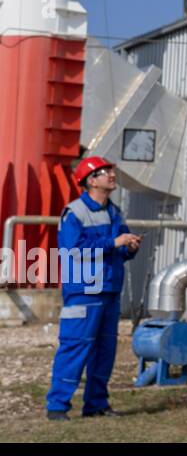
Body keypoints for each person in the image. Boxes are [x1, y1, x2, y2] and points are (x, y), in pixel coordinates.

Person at [46, 156, 140, 420]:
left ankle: (96, 405)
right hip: (84, 292)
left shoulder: (115, 212)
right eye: (105, 171)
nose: (112, 175)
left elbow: (117, 249)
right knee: (75, 348)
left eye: (111, 171)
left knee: (104, 352)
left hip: (110, 290)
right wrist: (113, 242)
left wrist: (129, 248)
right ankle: (57, 407)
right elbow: (72, 250)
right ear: (91, 180)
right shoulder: (74, 213)